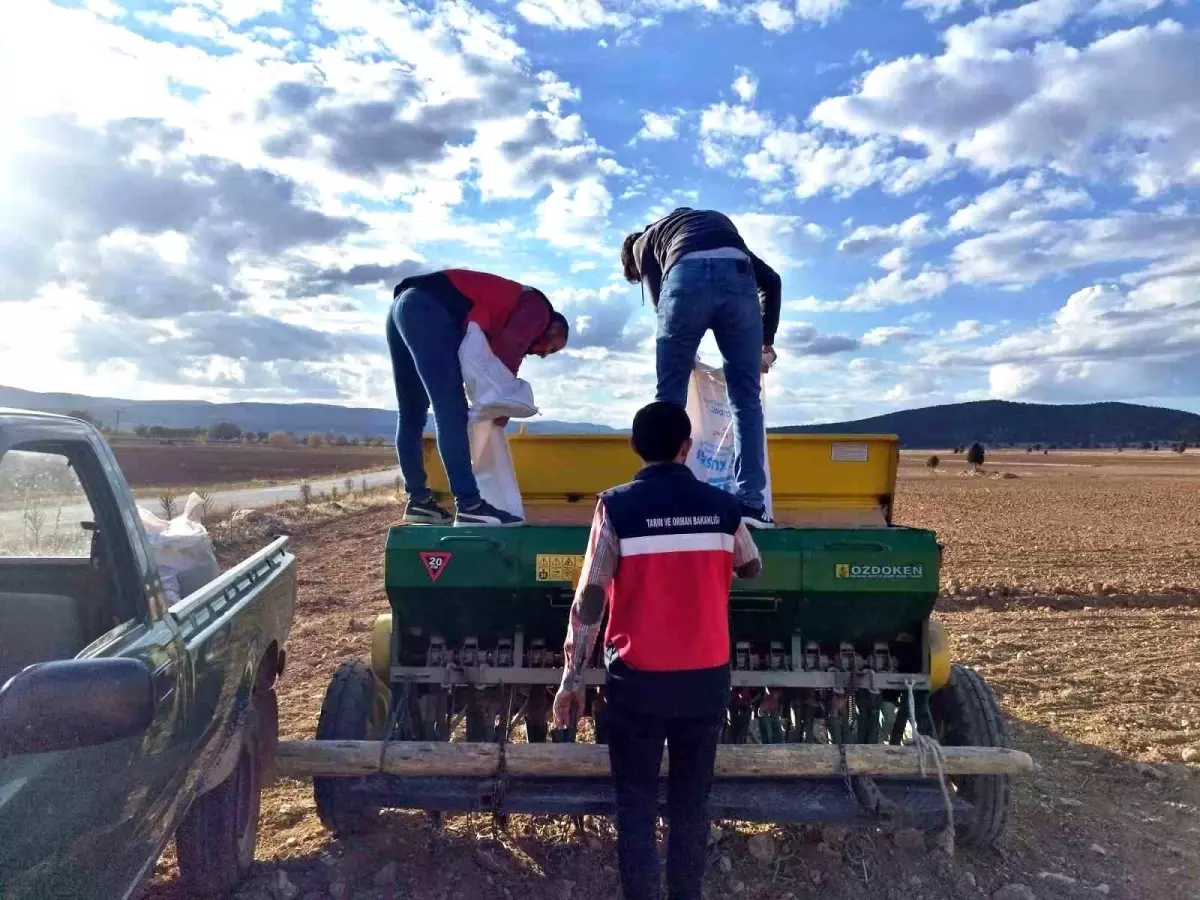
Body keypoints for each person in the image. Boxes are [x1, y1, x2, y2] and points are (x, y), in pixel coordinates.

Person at [551, 401, 762, 900]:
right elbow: (752, 565)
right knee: (691, 809)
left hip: (638, 686)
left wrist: (571, 678)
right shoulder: (723, 507)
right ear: (686, 448)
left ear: (633, 447)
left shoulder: (617, 506)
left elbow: (590, 598)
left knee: (636, 808)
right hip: (705, 684)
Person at [621, 208, 782, 529]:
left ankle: (662, 495)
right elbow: (772, 281)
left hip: (684, 281)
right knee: (745, 400)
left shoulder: (644, 242)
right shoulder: (712, 230)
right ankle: (751, 504)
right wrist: (766, 340)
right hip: (739, 279)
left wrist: (686, 355)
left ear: (631, 259)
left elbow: (662, 304)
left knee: (668, 399)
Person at [387, 268, 569, 527]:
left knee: (411, 412)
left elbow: (480, 362)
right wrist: (502, 403)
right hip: (428, 309)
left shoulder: (504, 311)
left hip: (402, 307)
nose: (542, 354)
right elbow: (510, 348)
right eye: (551, 349)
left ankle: (418, 500)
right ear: (553, 329)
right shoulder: (539, 310)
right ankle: (470, 505)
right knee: (450, 410)